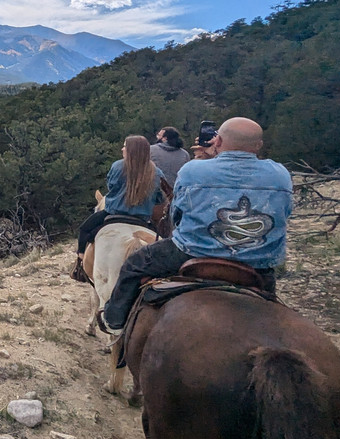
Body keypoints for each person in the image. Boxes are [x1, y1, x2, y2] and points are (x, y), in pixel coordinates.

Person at [100, 117, 293, 334]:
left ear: (217, 141)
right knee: (271, 305)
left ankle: (114, 319)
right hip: (257, 262)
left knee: (134, 265)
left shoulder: (193, 170)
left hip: (193, 251)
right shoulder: (280, 175)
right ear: (258, 145)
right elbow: (285, 214)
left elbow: (177, 214)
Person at [77, 135, 165, 259]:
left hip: (113, 214)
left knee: (84, 230)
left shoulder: (118, 166)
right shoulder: (156, 172)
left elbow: (111, 187)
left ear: (131, 150)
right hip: (142, 219)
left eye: (124, 146)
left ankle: (80, 261)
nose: (122, 149)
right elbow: (160, 198)